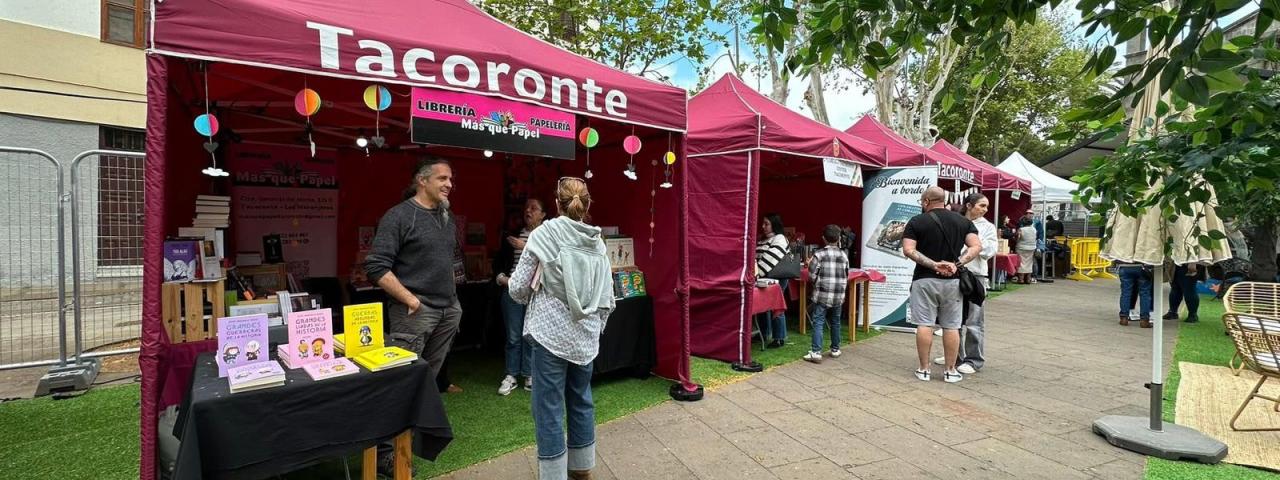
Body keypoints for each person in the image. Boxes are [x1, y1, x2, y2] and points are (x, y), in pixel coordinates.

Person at [507, 177, 615, 480]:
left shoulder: (545, 234)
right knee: (581, 399)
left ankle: (553, 475)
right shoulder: (597, 239)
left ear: (556, 204)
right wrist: (595, 326)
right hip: (585, 335)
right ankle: (582, 470)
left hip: (550, 334)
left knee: (548, 406)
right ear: (587, 204)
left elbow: (517, 289)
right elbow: (606, 293)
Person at [364, 157, 463, 473]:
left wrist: (453, 303)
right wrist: (412, 300)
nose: (449, 184)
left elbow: (444, 262)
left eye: (451, 179)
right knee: (399, 384)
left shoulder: (447, 217)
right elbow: (376, 267)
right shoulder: (399, 216)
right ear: (423, 180)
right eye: (443, 178)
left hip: (447, 311)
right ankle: (384, 454)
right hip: (415, 314)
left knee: (424, 383)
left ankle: (410, 442)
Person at [902, 186, 981, 384]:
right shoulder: (963, 221)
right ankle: (950, 370)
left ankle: (924, 369)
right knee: (951, 326)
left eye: (922, 202)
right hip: (953, 282)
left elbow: (908, 250)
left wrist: (933, 264)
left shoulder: (916, 221)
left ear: (926, 201)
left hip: (924, 279)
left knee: (924, 324)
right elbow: (976, 246)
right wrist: (957, 264)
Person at [932, 193, 997, 374]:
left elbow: (990, 250)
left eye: (986, 207)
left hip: (976, 276)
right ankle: (955, 355)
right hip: (953, 275)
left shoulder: (988, 227)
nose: (985, 210)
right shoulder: (955, 221)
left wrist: (973, 243)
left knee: (974, 319)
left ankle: (973, 359)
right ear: (969, 205)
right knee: (952, 319)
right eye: (981, 205)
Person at [494, 198, 546, 395]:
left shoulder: (547, 236)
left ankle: (530, 374)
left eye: (534, 208)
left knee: (532, 336)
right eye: (526, 208)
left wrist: (524, 246)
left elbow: (551, 259)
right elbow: (498, 263)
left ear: (543, 215)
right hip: (512, 291)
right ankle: (511, 375)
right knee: (514, 336)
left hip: (537, 294)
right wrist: (501, 278)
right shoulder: (512, 235)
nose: (528, 211)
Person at [804, 225, 850, 364]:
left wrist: (809, 264)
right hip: (838, 295)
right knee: (836, 321)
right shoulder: (844, 255)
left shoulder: (819, 255)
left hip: (822, 294)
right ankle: (835, 349)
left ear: (823, 238)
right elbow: (846, 274)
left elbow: (812, 276)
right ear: (839, 238)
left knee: (818, 321)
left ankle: (816, 352)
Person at [755, 213, 791, 348]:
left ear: (774, 224)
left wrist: (755, 274)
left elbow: (768, 261)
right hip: (765, 277)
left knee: (776, 306)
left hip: (778, 278)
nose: (763, 226)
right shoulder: (763, 239)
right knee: (763, 306)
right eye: (763, 223)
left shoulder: (780, 238)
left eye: (766, 224)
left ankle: (779, 337)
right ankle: (764, 334)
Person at [1117, 262, 1153, 328]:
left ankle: (1124, 318)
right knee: (1145, 293)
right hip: (1142, 266)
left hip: (1125, 265)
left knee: (1125, 292)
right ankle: (1144, 320)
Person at [1015, 218, 1037, 284]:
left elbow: (1018, 237)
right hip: (1032, 248)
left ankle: (1021, 279)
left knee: (1021, 263)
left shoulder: (1021, 229)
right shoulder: (1034, 229)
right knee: (1029, 263)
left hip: (1021, 247)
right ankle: (1028, 279)